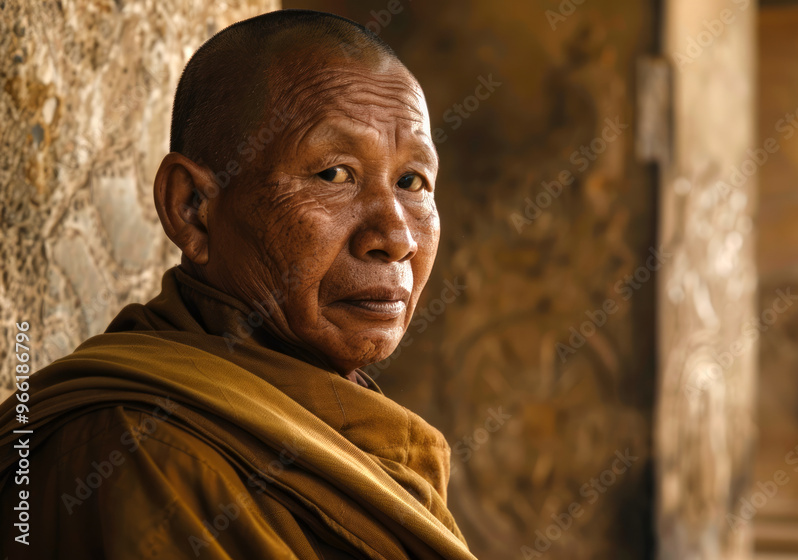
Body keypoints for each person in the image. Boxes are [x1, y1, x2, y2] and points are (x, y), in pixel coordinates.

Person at [0, 10, 476, 559]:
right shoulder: (143, 447)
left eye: (412, 181)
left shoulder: (367, 440)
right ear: (193, 209)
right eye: (334, 174)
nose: (394, 236)